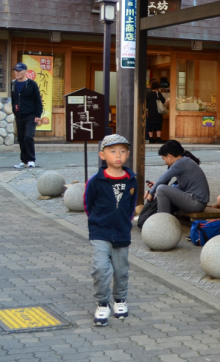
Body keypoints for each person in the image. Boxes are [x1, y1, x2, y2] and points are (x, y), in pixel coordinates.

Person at [84, 134, 138, 326]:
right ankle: (102, 303)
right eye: (113, 151)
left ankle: (120, 300)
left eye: (123, 151)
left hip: (122, 231)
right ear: (102, 155)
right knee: (100, 268)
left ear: (128, 154)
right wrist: (96, 221)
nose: (118, 155)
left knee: (121, 269)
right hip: (100, 231)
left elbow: (132, 205)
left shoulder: (131, 179)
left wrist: (126, 220)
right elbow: (88, 203)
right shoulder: (96, 181)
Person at [146, 140, 210, 214]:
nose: (165, 162)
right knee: (162, 188)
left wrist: (151, 194)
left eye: (164, 159)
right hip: (197, 201)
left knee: (161, 189)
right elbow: (179, 186)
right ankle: (163, 218)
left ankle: (163, 220)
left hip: (196, 203)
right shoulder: (185, 161)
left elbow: (162, 179)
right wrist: (156, 187)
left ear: (169, 156)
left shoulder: (180, 163)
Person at [11, 62, 43, 169]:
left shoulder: (32, 84)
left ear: (25, 72)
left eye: (19, 71)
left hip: (31, 115)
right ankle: (23, 160)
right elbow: (14, 99)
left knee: (28, 137)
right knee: (21, 138)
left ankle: (31, 160)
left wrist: (38, 114)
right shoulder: (14, 84)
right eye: (16, 70)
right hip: (19, 116)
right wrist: (14, 112)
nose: (17, 73)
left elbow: (38, 100)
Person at [145, 79, 167, 144]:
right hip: (158, 112)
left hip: (150, 112)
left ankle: (150, 139)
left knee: (150, 125)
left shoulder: (148, 94)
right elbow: (163, 101)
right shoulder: (158, 94)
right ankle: (158, 138)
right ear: (157, 87)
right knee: (158, 125)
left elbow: (146, 103)